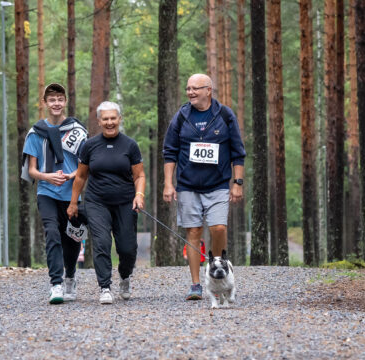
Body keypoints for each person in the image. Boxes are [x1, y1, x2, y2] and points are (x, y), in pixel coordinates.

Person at [162, 74, 246, 301]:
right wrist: (168, 184)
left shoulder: (224, 115)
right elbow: (169, 152)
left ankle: (217, 276)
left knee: (218, 228)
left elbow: (238, 153)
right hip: (188, 185)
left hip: (218, 184)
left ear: (208, 90)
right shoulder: (181, 116)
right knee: (193, 232)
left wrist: (237, 184)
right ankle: (196, 284)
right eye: (188, 88)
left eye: (195, 89)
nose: (190, 93)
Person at [67, 101, 146, 305]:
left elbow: (139, 175)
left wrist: (139, 195)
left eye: (113, 118)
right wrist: (73, 203)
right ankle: (105, 287)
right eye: (105, 119)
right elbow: (81, 177)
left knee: (127, 248)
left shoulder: (130, 145)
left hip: (125, 203)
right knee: (101, 243)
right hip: (97, 202)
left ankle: (125, 276)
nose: (109, 122)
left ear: (119, 119)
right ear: (99, 121)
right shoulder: (90, 145)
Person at [20, 83, 87, 304]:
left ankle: (70, 276)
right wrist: (47, 177)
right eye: (52, 99)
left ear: (65, 101)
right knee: (52, 233)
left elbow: (85, 166)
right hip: (47, 192)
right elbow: (32, 170)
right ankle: (55, 283)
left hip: (72, 194)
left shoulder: (77, 131)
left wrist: (70, 176)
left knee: (72, 239)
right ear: (45, 103)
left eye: (60, 99)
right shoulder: (35, 133)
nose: (56, 103)